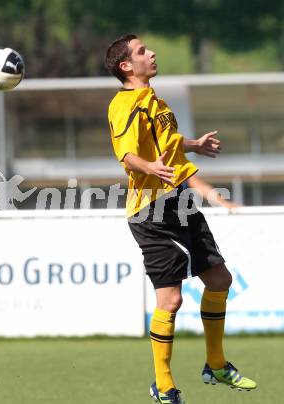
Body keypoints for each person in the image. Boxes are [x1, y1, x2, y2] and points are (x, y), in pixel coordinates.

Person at [105, 34, 256, 404]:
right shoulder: (123, 104)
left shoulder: (156, 102)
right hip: (150, 212)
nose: (151, 53)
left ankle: (216, 364)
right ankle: (164, 384)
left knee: (220, 280)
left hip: (180, 204)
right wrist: (148, 166)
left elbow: (167, 141)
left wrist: (193, 146)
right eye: (142, 51)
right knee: (170, 300)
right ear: (127, 66)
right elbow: (127, 155)